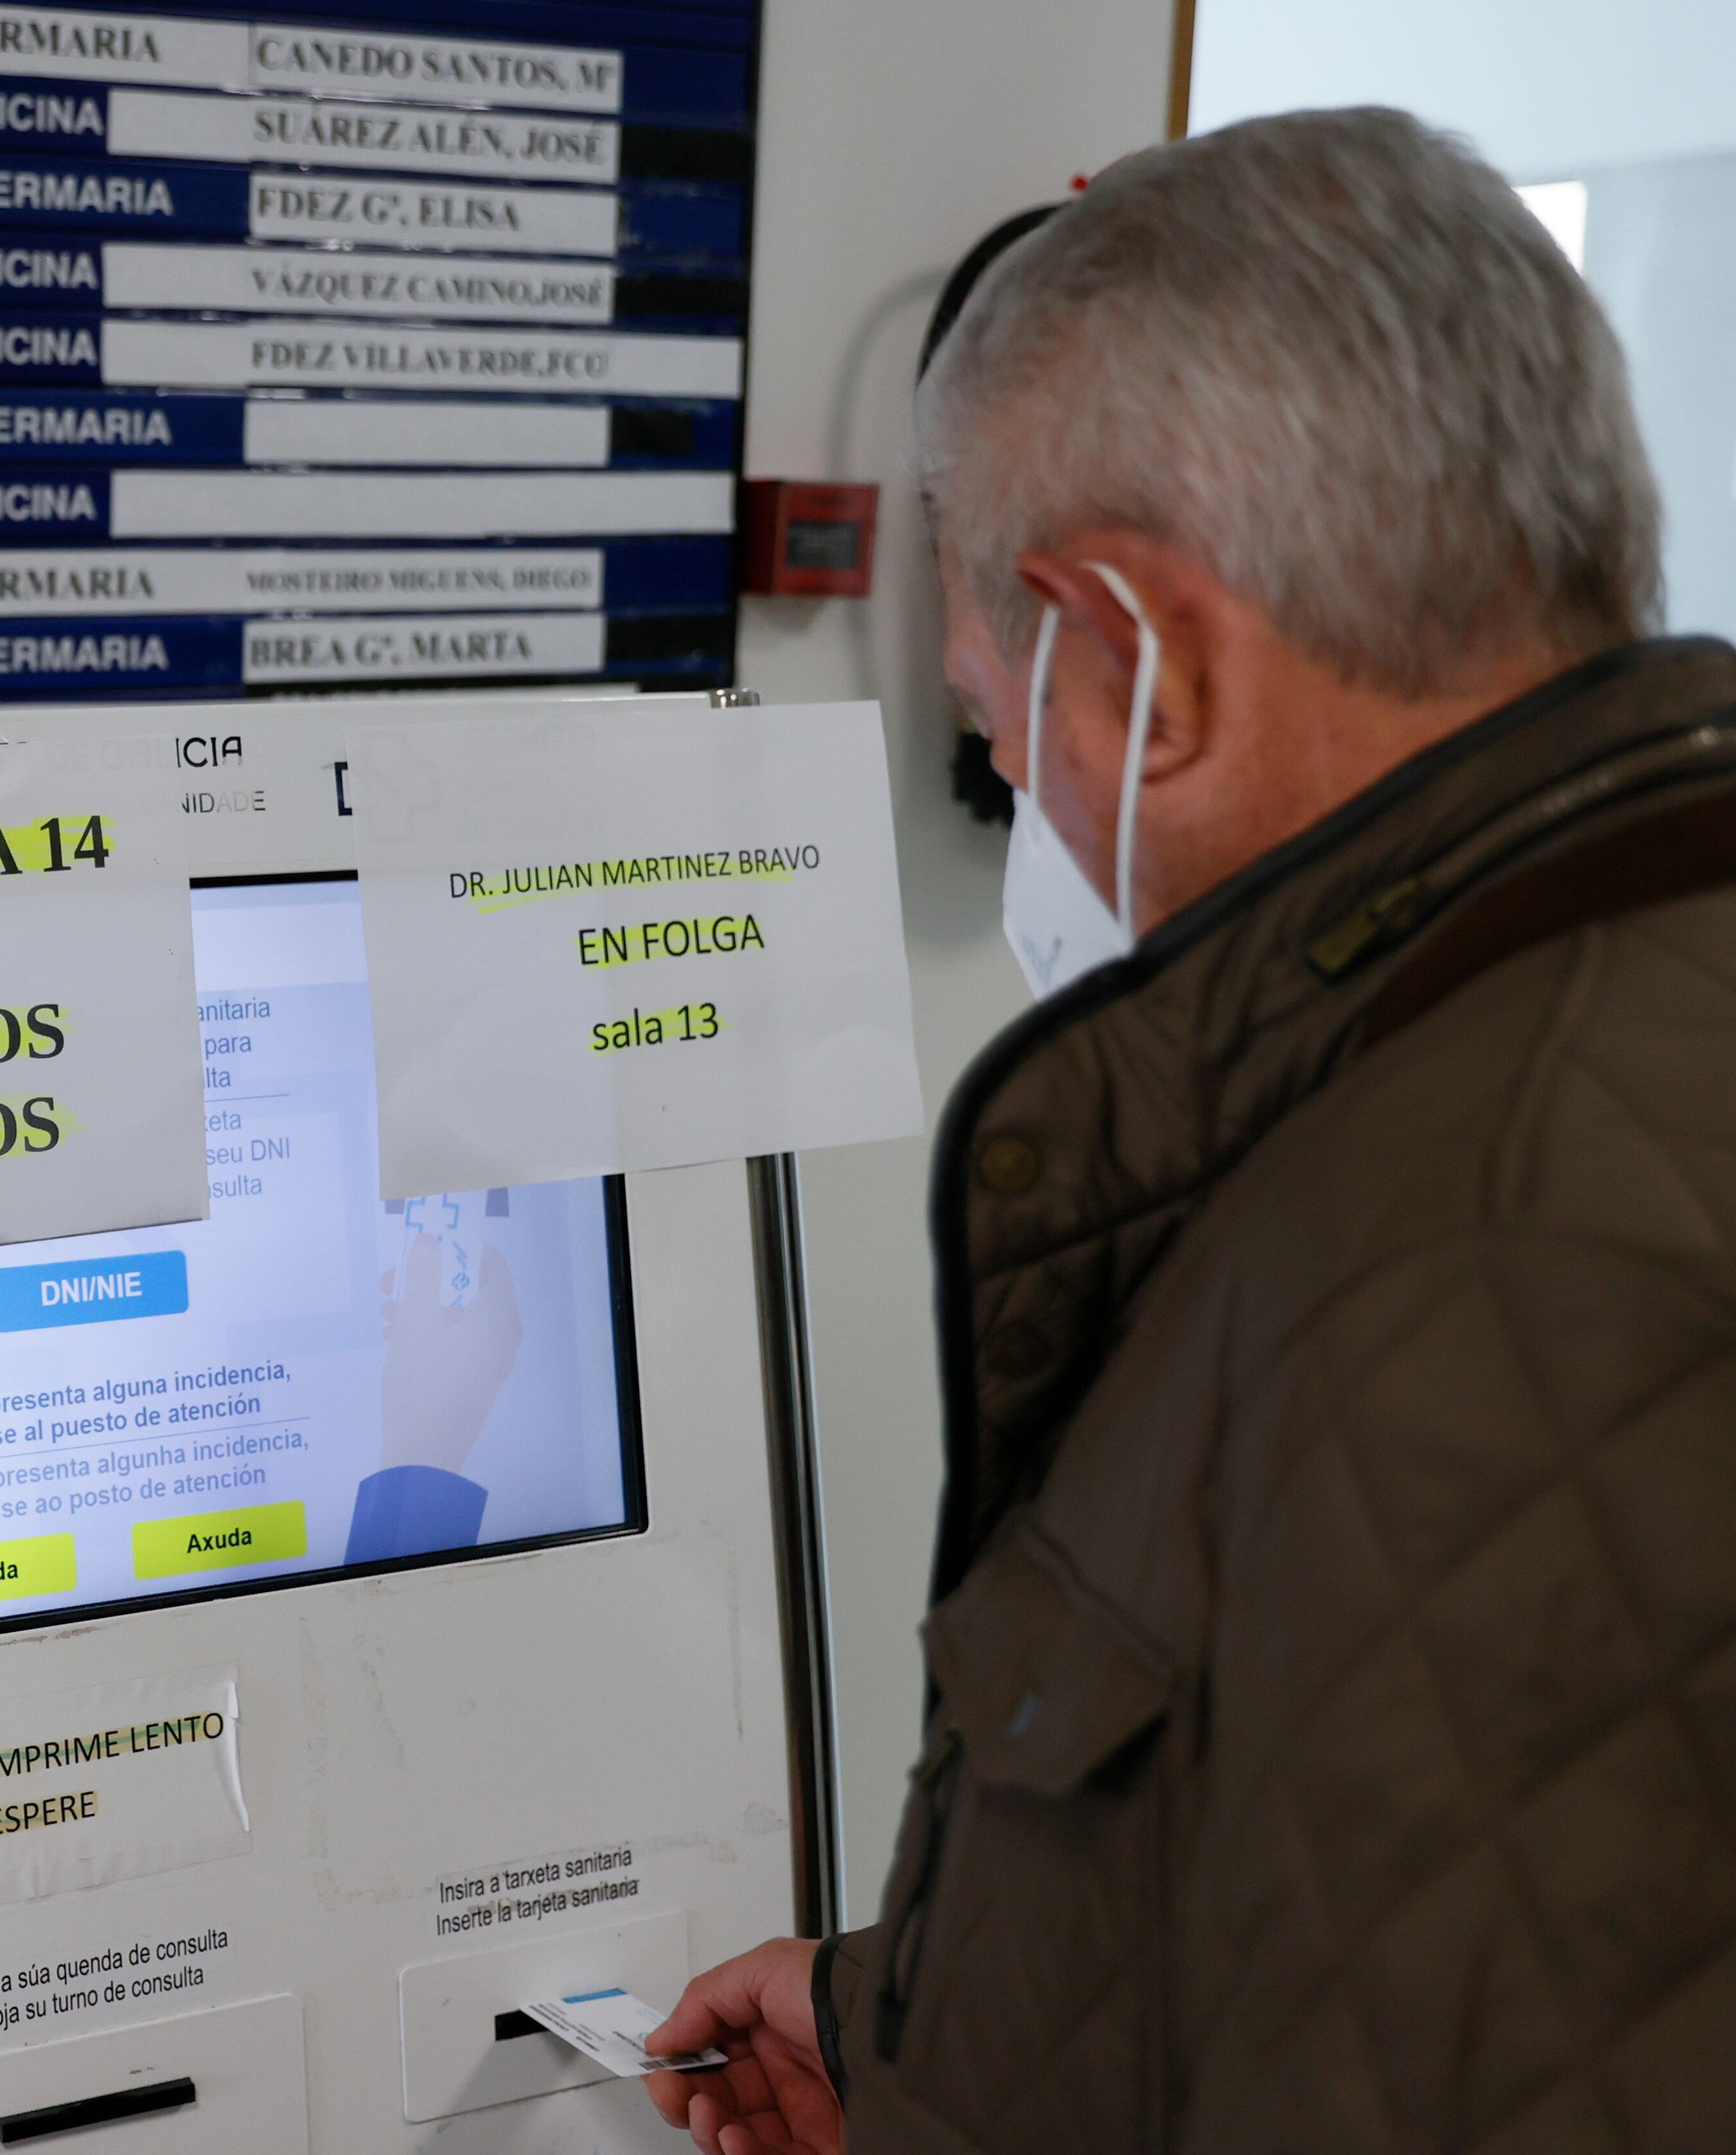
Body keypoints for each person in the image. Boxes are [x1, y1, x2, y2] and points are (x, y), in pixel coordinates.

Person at [652, 107, 1736, 2153]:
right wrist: (916, 2043)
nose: (1021, 789)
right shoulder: (1547, 1035)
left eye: (994, 718)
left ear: (1144, 661)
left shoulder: (1489, 1272)